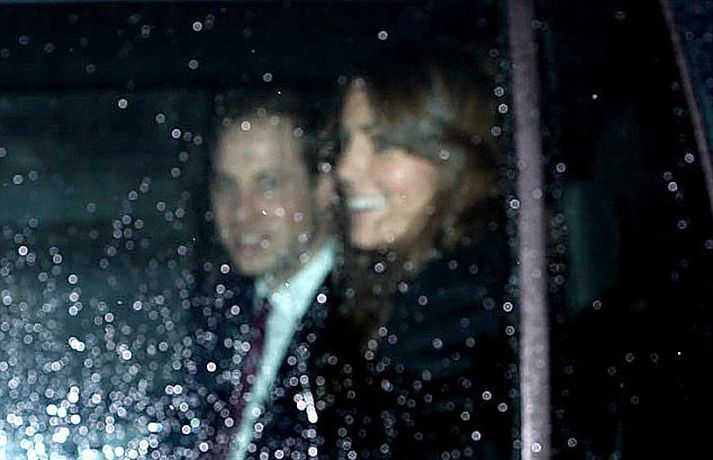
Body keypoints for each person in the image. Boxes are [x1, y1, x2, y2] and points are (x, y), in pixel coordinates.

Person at [319, 47, 515, 459]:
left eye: (381, 143)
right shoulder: (404, 291)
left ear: (452, 157)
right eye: (346, 142)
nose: (345, 169)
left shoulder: (464, 315)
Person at [199, 89, 338, 459]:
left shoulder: (360, 321)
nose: (241, 213)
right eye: (227, 186)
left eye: (269, 185)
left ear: (324, 188)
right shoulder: (222, 315)